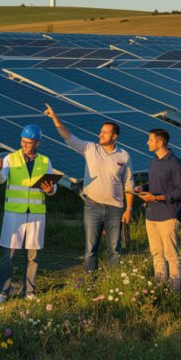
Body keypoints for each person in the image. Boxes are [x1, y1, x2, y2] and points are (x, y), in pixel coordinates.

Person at [44, 104, 134, 272]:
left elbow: (129, 183)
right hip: (93, 206)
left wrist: (129, 209)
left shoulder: (124, 155)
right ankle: (90, 282)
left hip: (116, 208)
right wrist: (55, 118)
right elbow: (69, 137)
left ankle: (113, 283)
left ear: (114, 136)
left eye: (105, 132)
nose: (100, 134)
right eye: (100, 131)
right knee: (90, 249)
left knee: (115, 249)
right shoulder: (90, 148)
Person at [0, 124, 58, 304]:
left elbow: (53, 186)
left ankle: (29, 291)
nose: (24, 145)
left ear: (37, 143)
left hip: (36, 213)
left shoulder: (45, 161)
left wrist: (51, 189)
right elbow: (0, 179)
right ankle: (3, 291)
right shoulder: (9, 159)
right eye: (22, 141)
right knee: (9, 255)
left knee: (33, 256)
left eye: (28, 142)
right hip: (14, 214)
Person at [138, 128, 181, 293]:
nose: (147, 143)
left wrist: (158, 198)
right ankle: (159, 289)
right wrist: (142, 188)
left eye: (150, 140)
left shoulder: (175, 164)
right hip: (151, 215)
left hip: (168, 215)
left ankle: (174, 292)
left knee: (171, 255)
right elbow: (154, 184)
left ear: (160, 143)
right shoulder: (154, 161)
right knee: (156, 254)